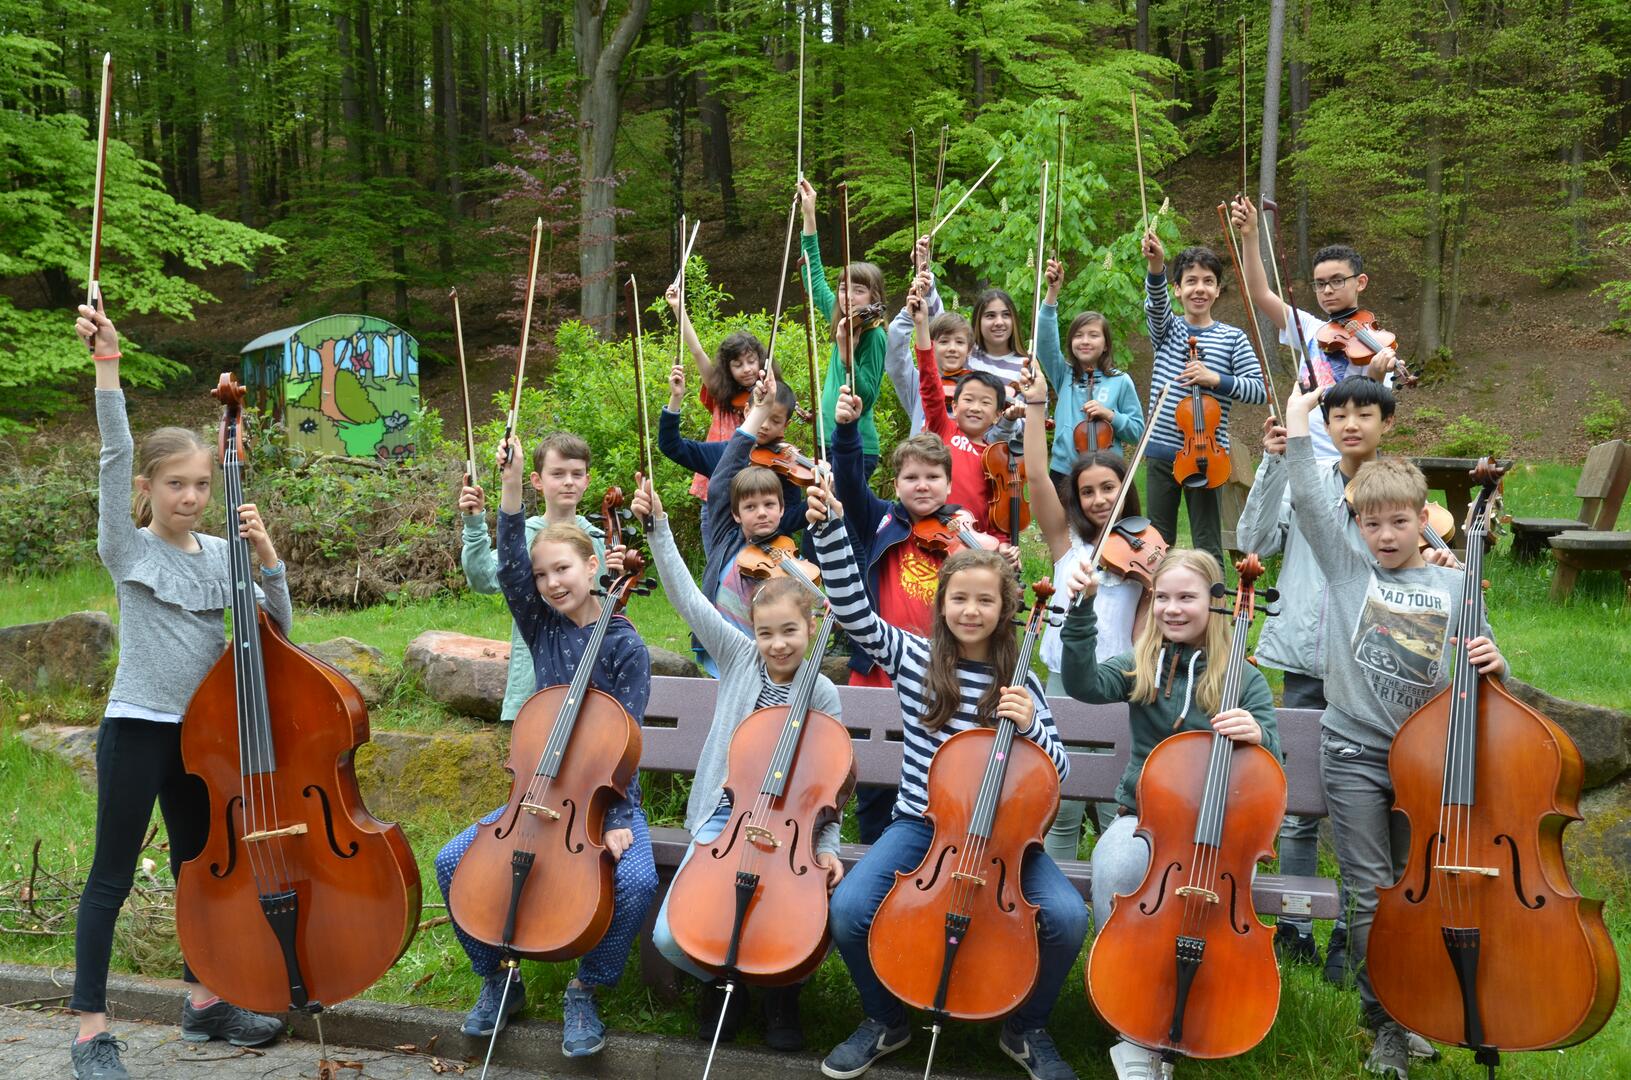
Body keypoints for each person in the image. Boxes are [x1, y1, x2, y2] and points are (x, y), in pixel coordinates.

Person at [71, 302, 291, 1080]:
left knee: (199, 869)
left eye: (201, 484)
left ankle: (203, 1004)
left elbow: (279, 634)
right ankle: (91, 1030)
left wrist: (267, 560)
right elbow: (112, 450)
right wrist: (109, 366)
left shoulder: (222, 552)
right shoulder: (124, 545)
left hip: (204, 739)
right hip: (139, 727)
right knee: (112, 876)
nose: (192, 496)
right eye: (176, 483)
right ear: (149, 487)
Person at [805, 476, 1086, 1080]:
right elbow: (854, 615)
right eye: (959, 599)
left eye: (985, 600)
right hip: (921, 825)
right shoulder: (914, 659)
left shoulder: (1021, 681)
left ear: (1005, 609)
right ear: (942, 604)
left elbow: (1057, 772)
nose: (970, 611)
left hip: (1006, 840)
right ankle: (886, 1019)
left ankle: (1026, 1027)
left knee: (1066, 918)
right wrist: (829, 531)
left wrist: (1034, 727)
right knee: (851, 909)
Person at [1282, 383, 1506, 1080]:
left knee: (1417, 891)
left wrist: (1495, 663)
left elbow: (1482, 676)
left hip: (1427, 760)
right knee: (1370, 890)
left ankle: (1412, 1012)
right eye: (1370, 523)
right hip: (1351, 751)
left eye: (1397, 523)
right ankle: (1384, 1025)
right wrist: (1296, 419)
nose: (1383, 534)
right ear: (1355, 527)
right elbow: (1311, 500)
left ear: (1421, 522)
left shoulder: (1452, 584)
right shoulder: (1345, 567)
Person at [434, 436, 657, 1060]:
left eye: (563, 569)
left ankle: (587, 988)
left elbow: (623, 748)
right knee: (453, 862)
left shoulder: (624, 645)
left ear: (594, 569)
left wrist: (613, 821)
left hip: (603, 800)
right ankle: (500, 982)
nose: (551, 583)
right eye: (542, 575)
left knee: (635, 881)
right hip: (533, 798)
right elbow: (506, 565)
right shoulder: (543, 627)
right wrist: (508, 490)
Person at [1235, 377, 1448, 982]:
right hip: (1308, 656)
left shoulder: (1398, 496)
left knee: (1373, 813)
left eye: (1365, 413)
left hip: (1382, 677)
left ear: (1386, 423)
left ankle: (1352, 941)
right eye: (1339, 414)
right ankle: (1299, 928)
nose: (1351, 424)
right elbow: (1252, 544)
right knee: (1301, 810)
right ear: (1324, 425)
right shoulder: (1313, 485)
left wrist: (1444, 564)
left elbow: (1430, 581)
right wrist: (1277, 462)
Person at [635, 475, 842, 1052]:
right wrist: (659, 531)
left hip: (791, 833)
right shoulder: (738, 657)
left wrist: (825, 850)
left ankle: (779, 992)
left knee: (788, 918)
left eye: (790, 633)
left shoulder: (822, 693)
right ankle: (722, 981)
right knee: (670, 938)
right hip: (722, 821)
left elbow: (830, 789)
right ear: (752, 632)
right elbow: (686, 597)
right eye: (767, 633)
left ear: (810, 629)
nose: (778, 645)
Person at [1059, 549, 1279, 1080]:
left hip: (1221, 833)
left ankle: (1203, 1005)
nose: (1172, 609)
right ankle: (1131, 1019)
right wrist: (1082, 611)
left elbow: (1271, 758)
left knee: (1215, 912)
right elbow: (1082, 684)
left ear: (1217, 605)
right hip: (1145, 818)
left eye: (1187, 597)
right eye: (1163, 597)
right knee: (1116, 871)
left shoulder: (1241, 679)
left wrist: (1259, 736)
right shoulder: (1140, 665)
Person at [828, 383, 1018, 843]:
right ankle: (877, 851)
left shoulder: (963, 532)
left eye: (933, 477)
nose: (922, 485)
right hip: (880, 664)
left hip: (942, 667)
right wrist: (846, 431)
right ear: (896, 484)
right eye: (911, 477)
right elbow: (849, 482)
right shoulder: (880, 519)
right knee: (873, 775)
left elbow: (996, 585)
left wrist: (1005, 563)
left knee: (938, 769)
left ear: (950, 484)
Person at [1018, 363, 1146, 861]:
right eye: (1088, 491)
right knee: (1064, 803)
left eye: (1108, 489)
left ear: (1124, 489)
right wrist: (1036, 406)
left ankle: (1118, 900)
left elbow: (1154, 623)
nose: (1098, 499)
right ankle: (1061, 906)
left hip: (1121, 681)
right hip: (1063, 681)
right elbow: (1033, 474)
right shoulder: (1064, 542)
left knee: (1119, 800)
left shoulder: (1145, 546)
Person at [1228, 197, 1405, 460]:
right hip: (1302, 454)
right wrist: (1251, 235)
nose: (1328, 290)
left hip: (1345, 460)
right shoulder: (1312, 328)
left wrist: (1376, 374)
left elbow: (1372, 408)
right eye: (1320, 284)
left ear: (1361, 282)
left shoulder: (1376, 343)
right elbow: (1260, 292)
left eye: (1337, 280)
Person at [459, 432, 605, 725]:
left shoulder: (599, 539)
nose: (568, 481)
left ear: (587, 481)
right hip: (533, 682)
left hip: (591, 678)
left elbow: (607, 606)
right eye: (558, 473)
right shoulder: (524, 535)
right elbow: (484, 579)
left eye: (577, 474)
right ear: (537, 481)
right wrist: (475, 525)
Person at [1140, 229, 1266, 568]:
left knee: (1207, 543)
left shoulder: (1233, 338)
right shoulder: (1168, 330)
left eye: (1208, 281)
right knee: (1158, 542)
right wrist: (1156, 267)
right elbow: (1155, 306)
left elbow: (1259, 389)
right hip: (1162, 452)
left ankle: (1213, 615)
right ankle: (1159, 612)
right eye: (1191, 281)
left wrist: (1216, 379)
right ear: (1178, 290)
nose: (1200, 288)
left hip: (1207, 458)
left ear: (1217, 290)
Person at [698, 369, 811, 636]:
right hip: (723, 648)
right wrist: (758, 412)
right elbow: (721, 480)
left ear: (781, 509)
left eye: (770, 505)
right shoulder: (725, 534)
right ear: (735, 513)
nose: (761, 513)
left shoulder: (787, 556)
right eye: (750, 507)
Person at [800, 177, 889, 478]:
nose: (848, 297)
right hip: (826, 441)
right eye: (843, 289)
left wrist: (846, 351)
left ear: (874, 297)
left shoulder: (874, 334)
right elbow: (812, 273)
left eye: (859, 291)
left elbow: (866, 398)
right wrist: (809, 215)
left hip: (858, 447)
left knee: (845, 523)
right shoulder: (839, 315)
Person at [909, 287, 1011, 536]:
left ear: (998, 414)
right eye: (968, 400)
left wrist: (1002, 543)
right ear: (954, 405)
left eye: (986, 403)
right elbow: (930, 382)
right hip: (932, 532)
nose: (975, 408)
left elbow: (999, 511)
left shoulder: (993, 456)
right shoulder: (944, 428)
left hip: (975, 541)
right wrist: (922, 326)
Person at [1036, 258, 1144, 491]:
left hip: (1105, 473)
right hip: (1064, 471)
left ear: (1106, 344)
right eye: (1078, 335)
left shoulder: (1120, 381)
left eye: (1093, 335)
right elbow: (1045, 342)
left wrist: (1110, 415)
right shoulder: (1064, 374)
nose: (1085, 341)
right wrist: (1052, 293)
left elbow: (1137, 432)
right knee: (1062, 528)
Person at [663, 282, 770, 501]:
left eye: (751, 361)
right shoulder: (721, 395)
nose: (747, 369)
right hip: (717, 487)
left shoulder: (767, 396)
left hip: (752, 491)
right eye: (738, 365)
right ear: (727, 369)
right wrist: (678, 309)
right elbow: (697, 351)